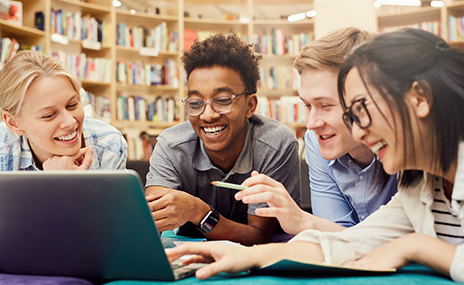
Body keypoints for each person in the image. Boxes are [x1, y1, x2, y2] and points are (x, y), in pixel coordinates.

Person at [166, 28, 464, 283]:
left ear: (419, 99)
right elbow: (350, 243)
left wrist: (416, 247)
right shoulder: (418, 187)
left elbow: (395, 245)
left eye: (361, 110)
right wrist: (247, 255)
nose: (359, 131)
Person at [234, 27, 397, 235]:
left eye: (326, 106)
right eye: (307, 105)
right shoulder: (316, 139)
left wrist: (304, 221)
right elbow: (337, 238)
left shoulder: (404, 148)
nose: (310, 124)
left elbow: (410, 240)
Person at [145, 33, 301, 246]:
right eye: (195, 102)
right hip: (193, 258)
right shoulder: (171, 145)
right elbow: (150, 226)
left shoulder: (276, 145)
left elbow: (258, 237)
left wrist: (198, 211)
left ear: (250, 105)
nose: (208, 115)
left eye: (222, 100)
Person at [0, 50, 127, 251]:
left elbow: (113, 240)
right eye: (49, 115)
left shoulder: (109, 144)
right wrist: (52, 189)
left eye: (72, 104)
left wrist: (70, 190)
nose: (70, 121)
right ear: (13, 123)